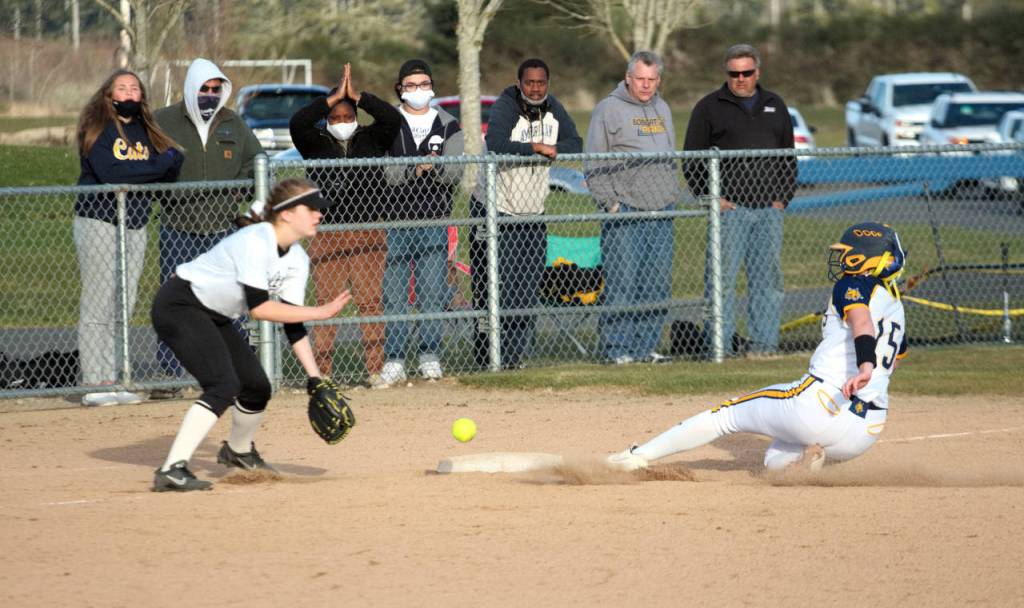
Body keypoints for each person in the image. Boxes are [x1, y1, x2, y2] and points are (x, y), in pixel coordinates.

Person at [607, 222, 908, 472]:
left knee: (727, 416)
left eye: (848, 255)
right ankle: (804, 464)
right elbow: (894, 360)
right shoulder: (896, 305)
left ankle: (635, 457)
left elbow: (862, 324)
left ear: (865, 259)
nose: (842, 260)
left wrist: (865, 366)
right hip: (865, 430)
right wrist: (872, 369)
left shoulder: (852, 284)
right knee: (775, 458)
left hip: (820, 403)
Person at [150, 178, 352, 492]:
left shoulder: (297, 259)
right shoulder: (256, 240)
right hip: (180, 305)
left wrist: (315, 378)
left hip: (214, 315)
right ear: (285, 214)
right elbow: (259, 309)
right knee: (223, 385)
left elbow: (292, 323)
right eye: (310, 209)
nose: (318, 215)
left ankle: (238, 451)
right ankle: (172, 469)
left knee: (256, 387)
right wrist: (319, 311)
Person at [151, 58, 264, 399]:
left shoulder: (233, 123)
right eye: (204, 89)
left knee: (228, 304)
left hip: (222, 232)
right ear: (190, 88)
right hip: (178, 227)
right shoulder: (163, 120)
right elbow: (148, 163)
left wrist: (241, 192)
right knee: (175, 305)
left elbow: (257, 163)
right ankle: (170, 375)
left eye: (216, 90)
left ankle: (232, 371)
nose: (210, 96)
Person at [74, 69, 183, 407]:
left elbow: (169, 170)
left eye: (134, 88)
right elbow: (111, 173)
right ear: (109, 94)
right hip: (100, 220)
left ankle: (118, 376)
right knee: (100, 299)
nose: (129, 92)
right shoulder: (97, 128)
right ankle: (95, 381)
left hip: (135, 221)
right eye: (122, 87)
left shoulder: (147, 130)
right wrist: (159, 165)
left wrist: (165, 163)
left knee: (125, 300)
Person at [289, 63, 401, 387]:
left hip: (368, 230)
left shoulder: (371, 138)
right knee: (327, 304)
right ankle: (322, 373)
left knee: (369, 301)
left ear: (356, 118)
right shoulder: (315, 143)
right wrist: (331, 99)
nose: (341, 123)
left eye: (346, 117)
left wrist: (358, 96)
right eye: (335, 118)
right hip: (328, 231)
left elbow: (393, 119)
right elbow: (297, 122)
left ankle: (375, 370)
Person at [683, 43, 797, 358]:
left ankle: (764, 345)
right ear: (727, 74)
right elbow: (691, 161)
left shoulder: (776, 105)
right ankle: (721, 345)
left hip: (768, 211)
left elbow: (788, 157)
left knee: (768, 283)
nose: (740, 79)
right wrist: (711, 197)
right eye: (734, 74)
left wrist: (782, 199)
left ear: (757, 72)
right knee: (720, 283)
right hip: (729, 211)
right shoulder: (709, 107)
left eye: (747, 73)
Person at [469, 57, 583, 369]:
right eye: (529, 82)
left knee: (525, 289)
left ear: (548, 83)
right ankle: (489, 359)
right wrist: (534, 147)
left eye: (541, 82)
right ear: (519, 83)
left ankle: (514, 359)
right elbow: (495, 144)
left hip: (533, 211)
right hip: (495, 209)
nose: (535, 88)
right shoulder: (506, 105)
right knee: (494, 288)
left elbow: (576, 143)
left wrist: (555, 148)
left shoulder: (553, 107)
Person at [584, 50, 682, 365]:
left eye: (652, 80)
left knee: (655, 284)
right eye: (640, 78)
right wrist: (610, 203)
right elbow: (593, 159)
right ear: (628, 77)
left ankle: (646, 347)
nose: (646, 85)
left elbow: (670, 156)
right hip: (625, 209)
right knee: (623, 282)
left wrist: (671, 194)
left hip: (661, 209)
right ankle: (618, 349)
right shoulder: (608, 109)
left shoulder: (662, 108)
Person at [379, 59, 464, 387]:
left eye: (424, 84)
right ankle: (395, 358)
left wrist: (438, 170)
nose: (418, 91)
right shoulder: (389, 123)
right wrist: (416, 169)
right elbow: (388, 174)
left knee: (431, 292)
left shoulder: (448, 124)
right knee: (395, 294)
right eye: (411, 85)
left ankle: (430, 355)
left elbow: (456, 171)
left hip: (434, 220)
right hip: (396, 222)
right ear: (400, 88)